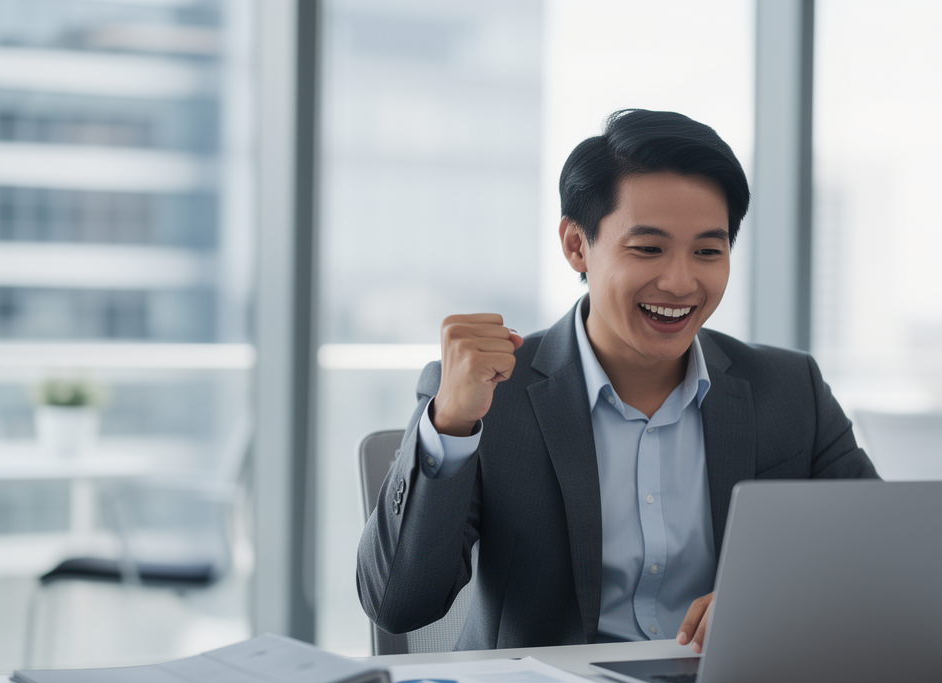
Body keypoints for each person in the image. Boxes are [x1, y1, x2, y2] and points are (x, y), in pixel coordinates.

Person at [357, 109, 878, 652]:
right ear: (577, 245)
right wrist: (452, 423)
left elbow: (883, 556)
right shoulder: (490, 397)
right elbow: (399, 605)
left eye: (707, 251)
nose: (680, 282)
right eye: (647, 248)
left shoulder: (791, 390)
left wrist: (774, 599)